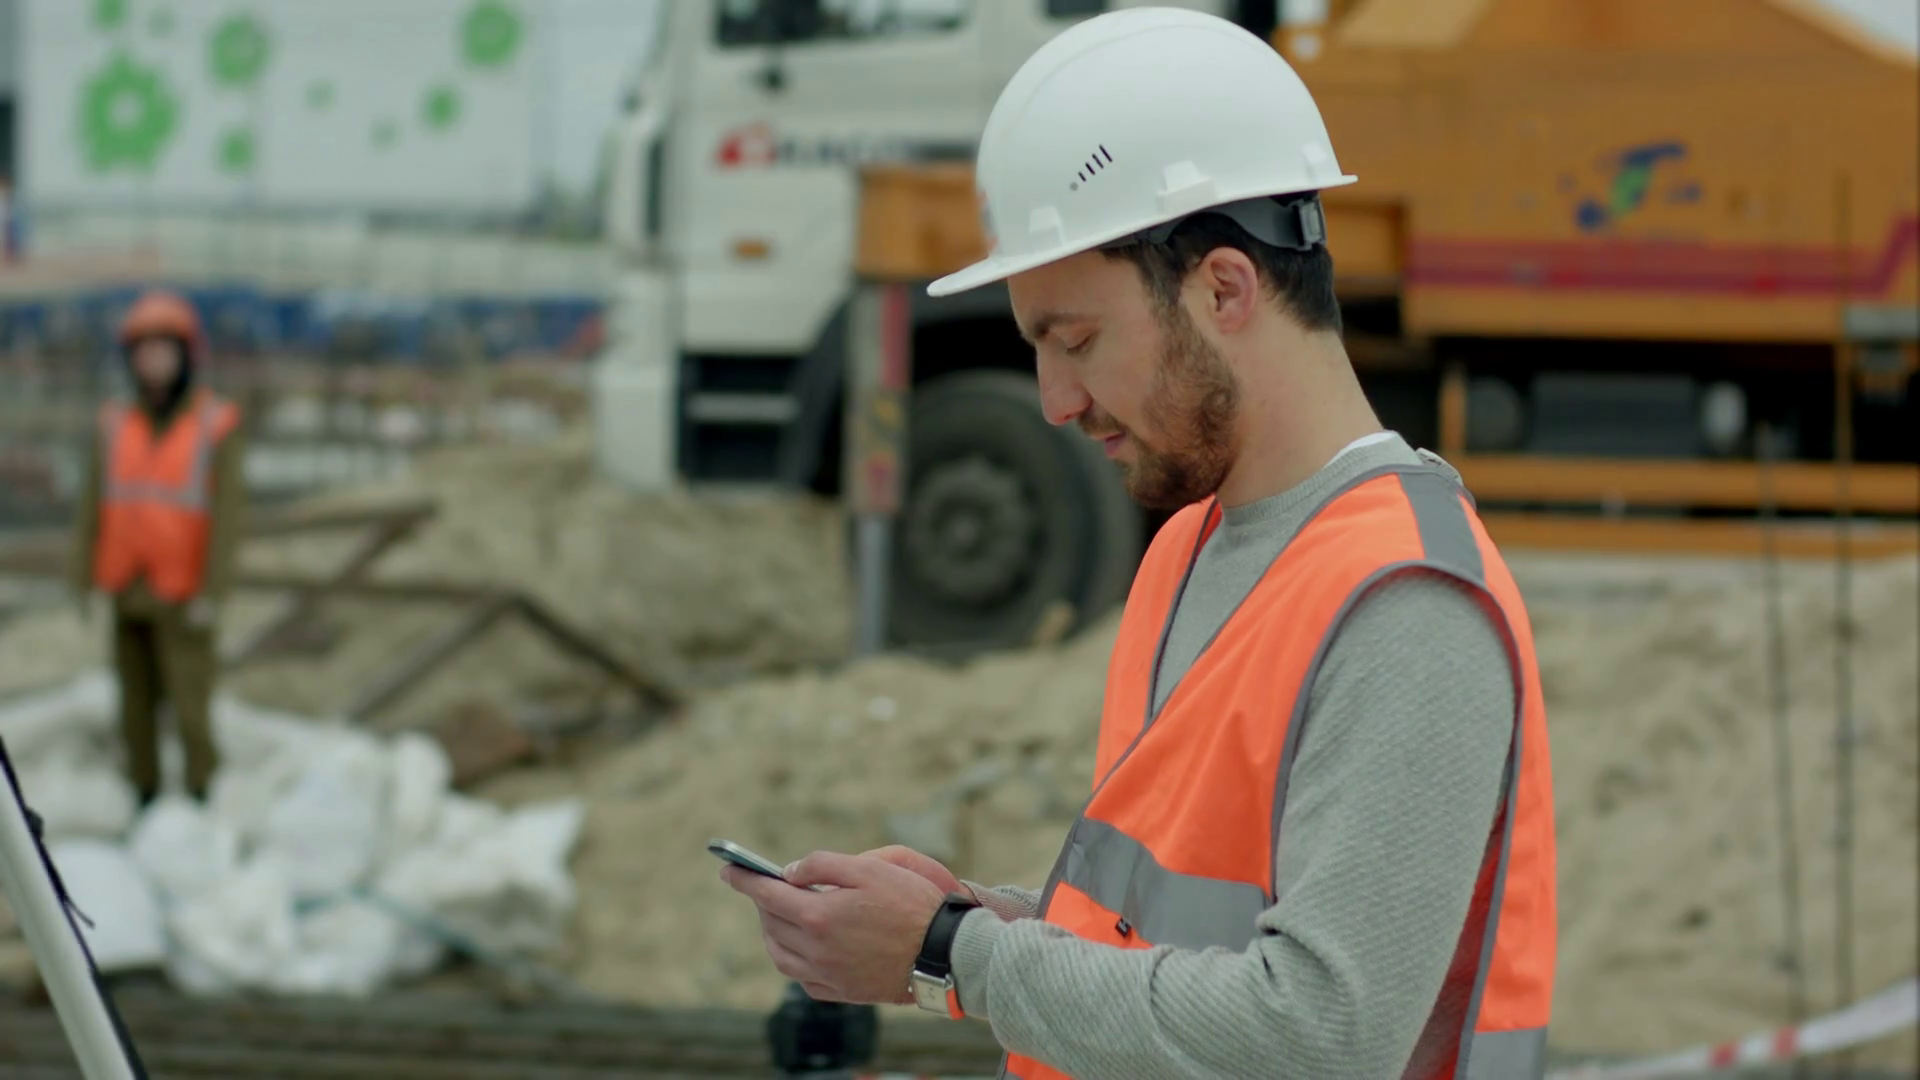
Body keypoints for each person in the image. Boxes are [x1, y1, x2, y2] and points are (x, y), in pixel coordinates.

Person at [720, 8, 1556, 1080]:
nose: (1054, 401)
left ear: (1222, 288)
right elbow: (1173, 938)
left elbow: (1320, 1035)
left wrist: (951, 956)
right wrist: (974, 918)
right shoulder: (1187, 550)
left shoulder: (1405, 599)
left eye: (1077, 341)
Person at [69, 289, 246, 806]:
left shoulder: (216, 424)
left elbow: (229, 516)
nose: (154, 362)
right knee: (134, 706)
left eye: (164, 350)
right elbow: (92, 506)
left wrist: (212, 591)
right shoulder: (115, 422)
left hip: (183, 592)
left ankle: (201, 794)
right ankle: (142, 793)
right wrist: (82, 576)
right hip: (129, 586)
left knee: (191, 705)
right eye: (144, 351)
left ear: (187, 355)